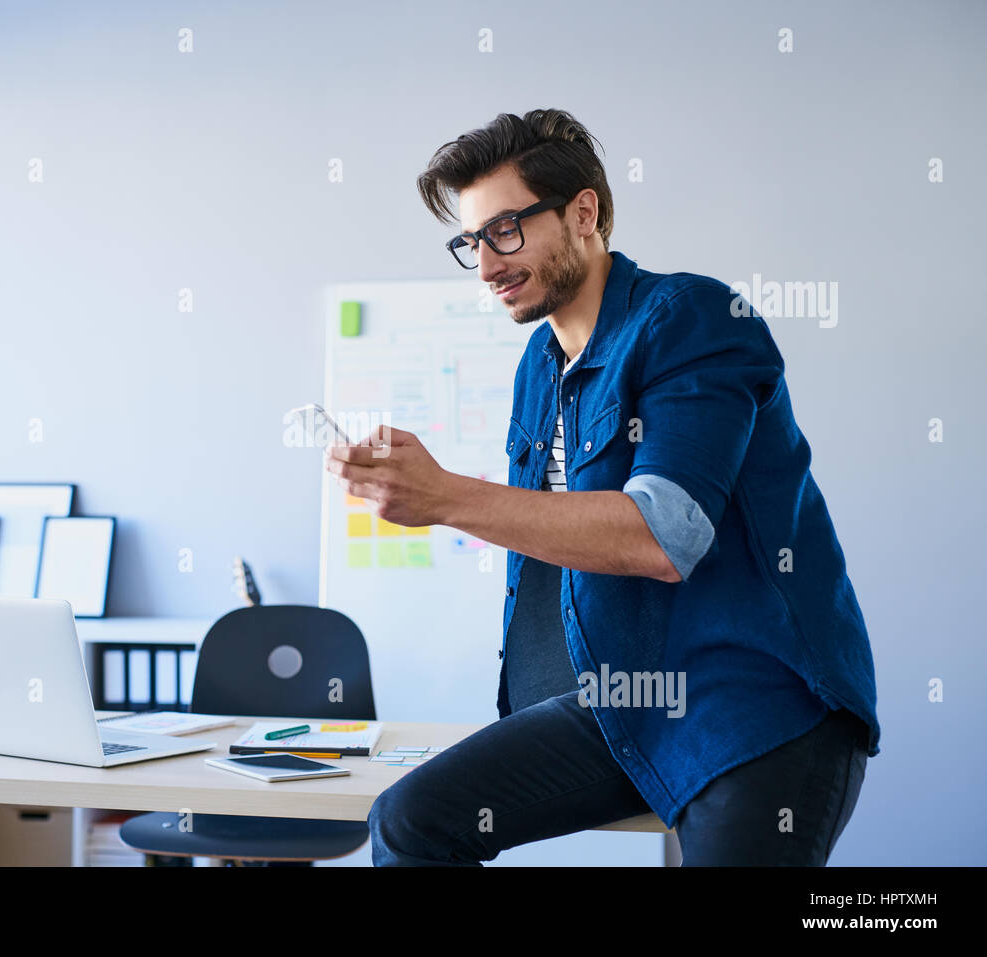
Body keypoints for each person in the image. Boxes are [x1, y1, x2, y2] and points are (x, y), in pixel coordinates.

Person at [325, 109, 878, 866]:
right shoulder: (537, 369)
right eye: (471, 241)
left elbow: (662, 534)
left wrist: (446, 495)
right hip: (619, 708)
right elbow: (549, 553)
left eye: (506, 230)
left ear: (583, 212)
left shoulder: (693, 317)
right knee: (410, 818)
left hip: (753, 710)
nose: (486, 265)